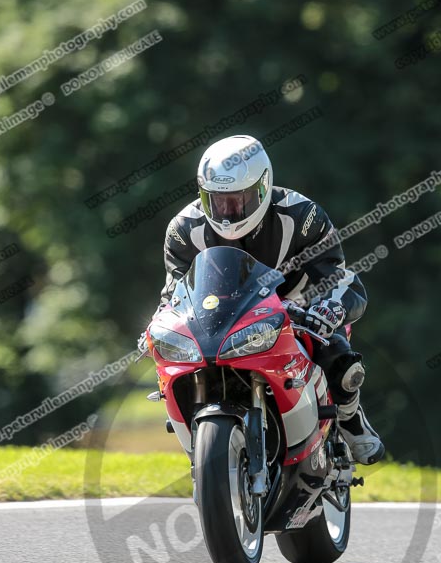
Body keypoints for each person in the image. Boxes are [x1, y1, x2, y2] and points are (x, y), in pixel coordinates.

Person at [148, 134, 384, 465]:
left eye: (238, 200)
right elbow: (174, 292)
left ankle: (350, 418)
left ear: (263, 186)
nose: (227, 212)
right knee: (174, 364)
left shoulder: (302, 216)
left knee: (338, 357)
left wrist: (329, 308)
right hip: (220, 321)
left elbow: (336, 275)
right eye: (217, 201)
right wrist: (159, 324)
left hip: (296, 310)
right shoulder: (183, 229)